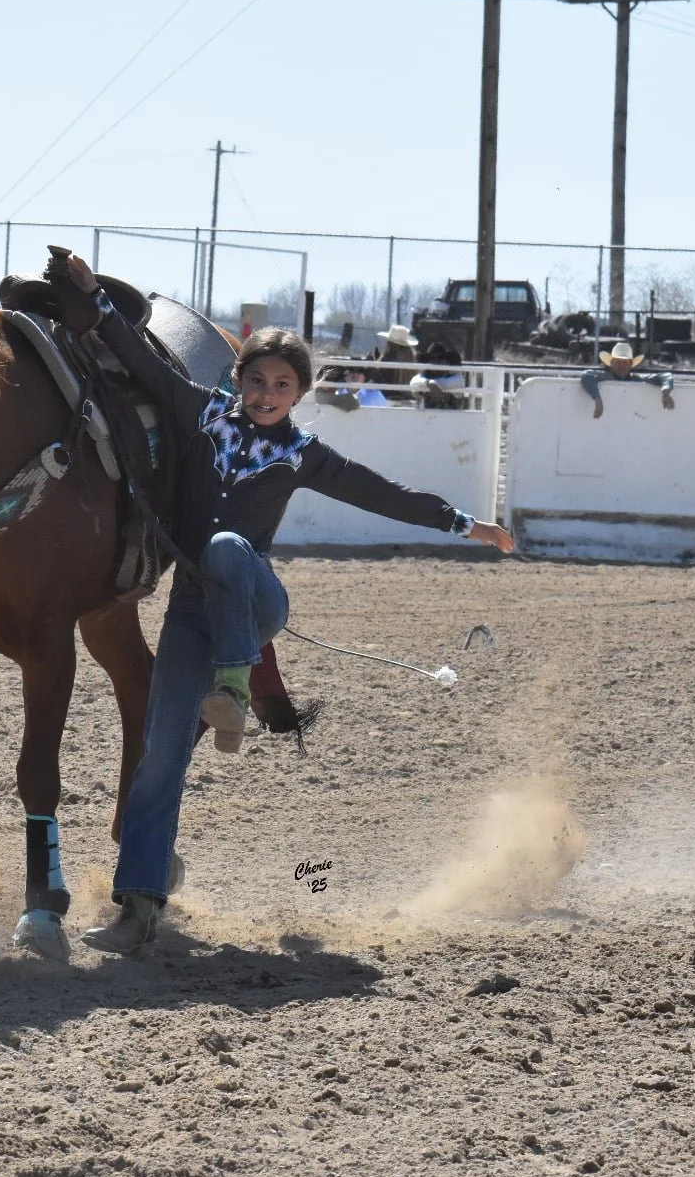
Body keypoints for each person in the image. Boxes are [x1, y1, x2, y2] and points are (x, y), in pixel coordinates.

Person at [41, 248, 515, 954]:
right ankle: (138, 910)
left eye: (282, 385)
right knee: (158, 757)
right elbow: (138, 358)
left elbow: (381, 493)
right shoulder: (200, 413)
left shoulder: (303, 453)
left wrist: (464, 524)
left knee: (227, 545)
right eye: (257, 380)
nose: (267, 393)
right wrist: (92, 294)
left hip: (257, 601)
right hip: (194, 613)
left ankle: (234, 687)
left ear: (299, 395)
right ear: (236, 380)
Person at [580, 340, 674, 419]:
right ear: (612, 364)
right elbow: (586, 375)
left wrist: (665, 393)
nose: (622, 366)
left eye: (625, 362)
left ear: (631, 364)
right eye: (618, 362)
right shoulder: (605, 376)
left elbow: (665, 376)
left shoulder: (636, 378)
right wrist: (597, 400)